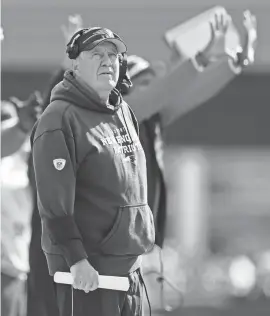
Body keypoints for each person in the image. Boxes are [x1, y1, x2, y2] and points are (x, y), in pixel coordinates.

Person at [31, 26, 156, 316]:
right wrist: (76, 261)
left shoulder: (122, 110)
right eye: (96, 54)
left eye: (113, 54)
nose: (107, 60)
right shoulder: (59, 118)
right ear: (74, 63)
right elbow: (53, 204)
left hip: (129, 273)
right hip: (89, 277)